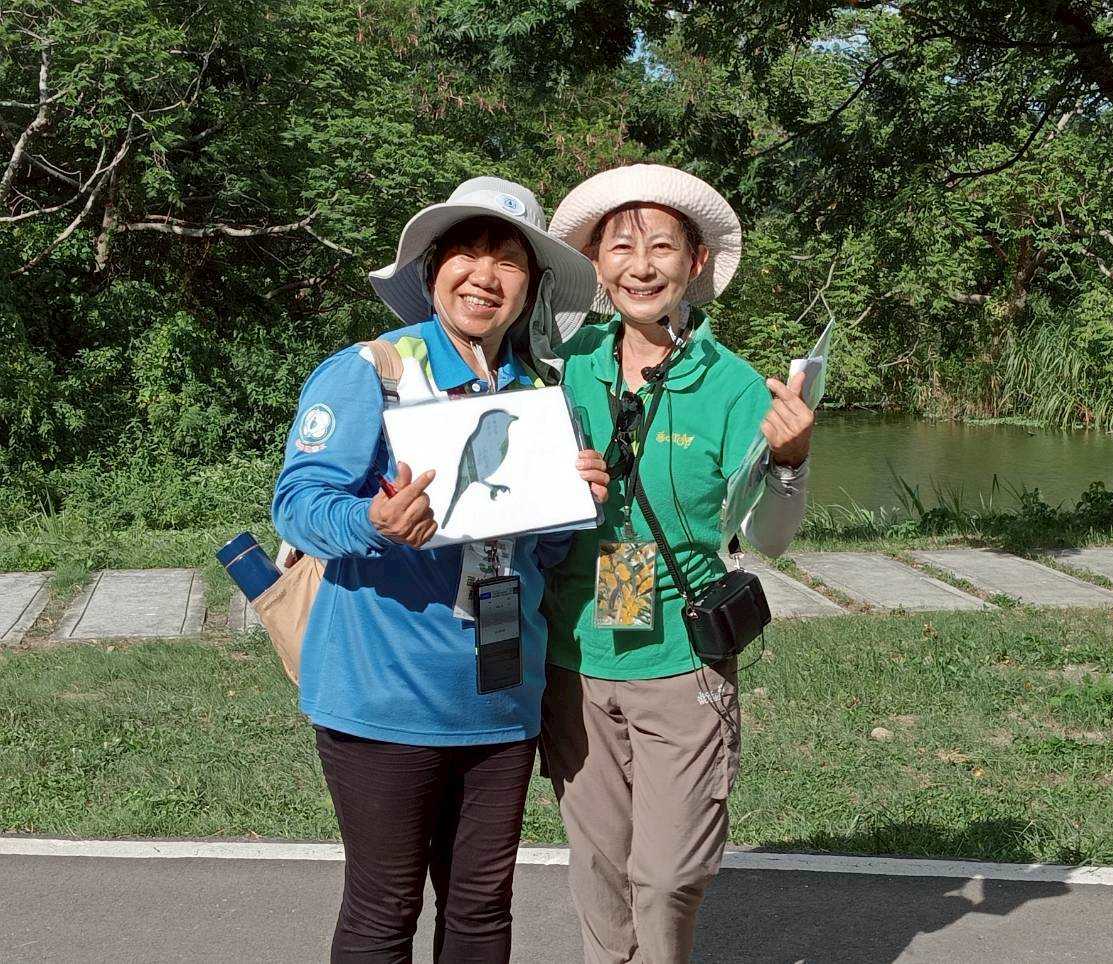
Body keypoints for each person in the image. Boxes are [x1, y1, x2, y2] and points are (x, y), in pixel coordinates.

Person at [272, 176, 609, 964]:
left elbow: (540, 557)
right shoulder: (375, 370)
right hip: (382, 697)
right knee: (383, 910)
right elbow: (298, 504)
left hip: (499, 700)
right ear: (433, 271)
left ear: (531, 289)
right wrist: (373, 523)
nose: (485, 275)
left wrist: (573, 503)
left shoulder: (538, 398)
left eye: (508, 260)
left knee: (484, 910)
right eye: (467, 252)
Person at [541, 164, 814, 963]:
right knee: (597, 867)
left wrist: (790, 459)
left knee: (664, 877)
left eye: (663, 246)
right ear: (596, 262)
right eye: (621, 246)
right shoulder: (563, 365)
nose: (642, 265)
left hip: (682, 666)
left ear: (696, 264)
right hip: (576, 659)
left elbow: (768, 537)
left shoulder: (729, 386)